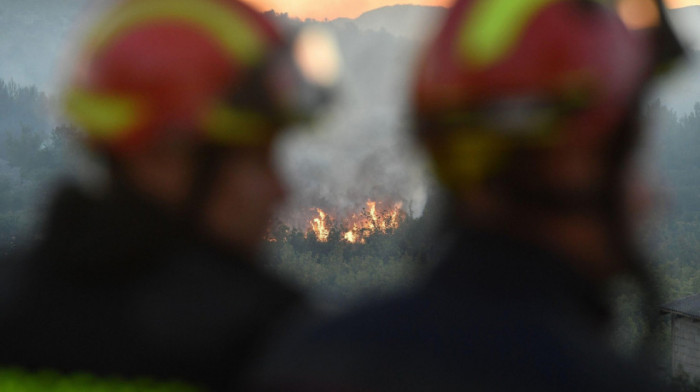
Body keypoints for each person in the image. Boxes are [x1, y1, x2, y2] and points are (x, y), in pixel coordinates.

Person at [252, 0, 683, 390]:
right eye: (630, 158)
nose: (650, 197)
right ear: (570, 165)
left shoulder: (311, 357)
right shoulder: (594, 380)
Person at [0, 0, 334, 390]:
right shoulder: (271, 342)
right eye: (257, 158)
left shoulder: (14, 305)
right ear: (163, 156)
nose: (281, 190)